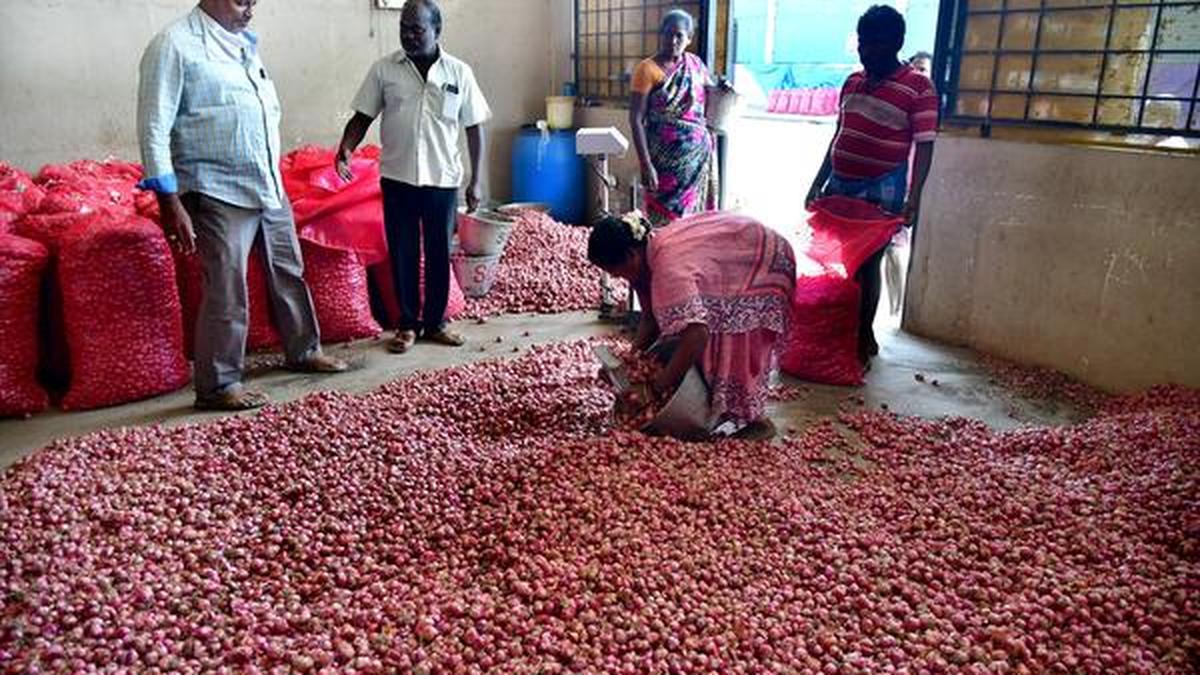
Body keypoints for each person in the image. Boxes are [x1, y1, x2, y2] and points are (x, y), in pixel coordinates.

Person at [138, 0, 347, 412]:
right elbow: (153, 127)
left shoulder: (243, 43)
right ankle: (218, 385)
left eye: (254, 1)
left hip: (266, 181)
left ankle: (304, 350)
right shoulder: (174, 45)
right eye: (241, 1)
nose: (250, 9)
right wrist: (169, 200)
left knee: (288, 269)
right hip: (216, 187)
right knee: (226, 285)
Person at [335, 0, 490, 354]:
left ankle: (436, 323)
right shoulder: (384, 70)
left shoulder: (459, 73)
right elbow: (362, 116)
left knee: (438, 252)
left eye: (417, 29)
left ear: (437, 30)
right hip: (398, 178)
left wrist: (477, 180)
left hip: (442, 179)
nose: (408, 36)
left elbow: (475, 127)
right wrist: (347, 147)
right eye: (404, 28)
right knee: (403, 252)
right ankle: (406, 324)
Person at [588, 211, 796, 439]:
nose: (616, 277)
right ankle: (733, 409)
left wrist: (656, 388)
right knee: (702, 337)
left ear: (630, 255)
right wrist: (627, 365)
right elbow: (650, 319)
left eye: (615, 271)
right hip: (739, 247)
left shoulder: (668, 270)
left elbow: (697, 336)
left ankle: (756, 422)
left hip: (762, 259)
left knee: (731, 341)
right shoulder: (643, 260)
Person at [806, 5, 937, 364]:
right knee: (847, 266)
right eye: (862, 43)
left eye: (874, 44)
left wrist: (914, 197)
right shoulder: (852, 82)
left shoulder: (919, 87)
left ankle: (862, 340)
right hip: (841, 185)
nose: (865, 51)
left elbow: (925, 147)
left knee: (868, 264)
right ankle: (852, 331)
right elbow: (840, 135)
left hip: (883, 190)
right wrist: (817, 182)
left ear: (895, 43)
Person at [629, 9, 721, 227]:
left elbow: (711, 97)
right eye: (668, 34)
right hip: (662, 163)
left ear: (689, 39)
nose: (673, 41)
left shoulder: (696, 65)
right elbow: (635, 118)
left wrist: (723, 88)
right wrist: (646, 164)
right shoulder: (646, 69)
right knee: (661, 223)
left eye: (679, 35)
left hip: (697, 161)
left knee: (693, 224)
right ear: (660, 35)